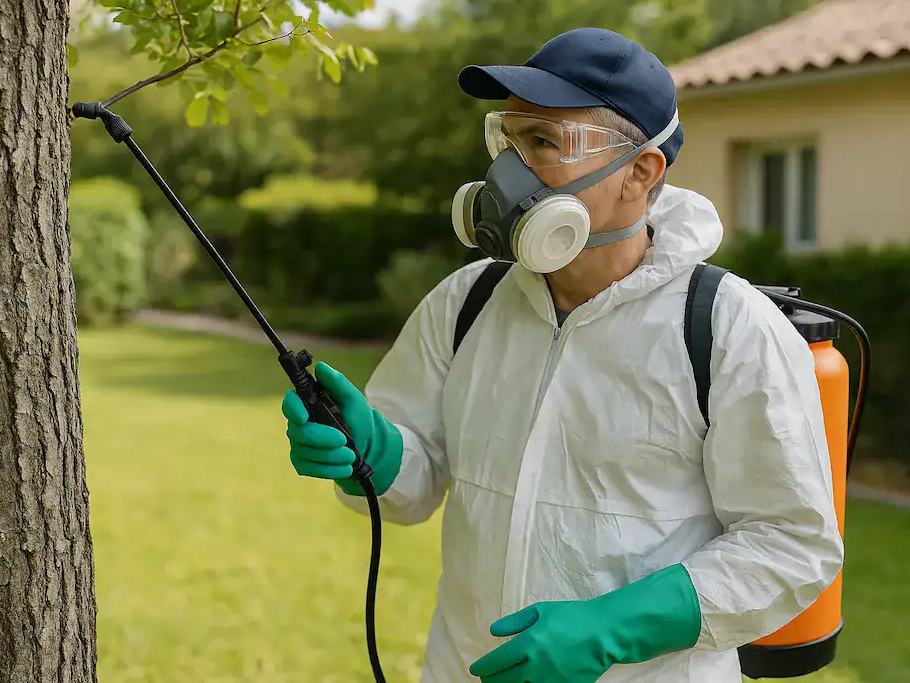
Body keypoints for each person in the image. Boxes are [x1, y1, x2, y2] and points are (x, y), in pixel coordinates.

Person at [280, 27, 843, 683]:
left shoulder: (725, 328)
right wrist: (374, 454)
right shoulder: (469, 300)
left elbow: (793, 543)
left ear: (640, 171)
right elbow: (416, 481)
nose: (506, 171)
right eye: (507, 139)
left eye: (543, 143)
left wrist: (616, 627)